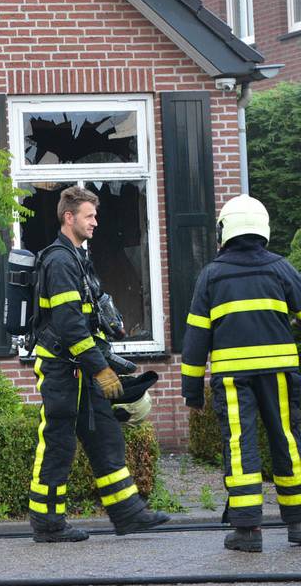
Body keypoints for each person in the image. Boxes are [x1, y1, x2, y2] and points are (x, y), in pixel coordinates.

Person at [26, 186, 169, 542]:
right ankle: (48, 524)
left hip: (81, 367)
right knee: (58, 443)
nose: (96, 222)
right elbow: (69, 325)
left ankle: (128, 514)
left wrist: (109, 338)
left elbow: (88, 314)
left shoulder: (77, 256)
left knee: (105, 436)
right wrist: (100, 369)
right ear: (69, 217)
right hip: (61, 368)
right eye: (89, 216)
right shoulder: (59, 261)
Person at [181, 195, 301, 552]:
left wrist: (191, 389)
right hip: (279, 374)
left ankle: (248, 531)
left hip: (233, 379)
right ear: (261, 227)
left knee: (240, 447)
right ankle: (297, 523)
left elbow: (196, 336)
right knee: (288, 442)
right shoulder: (281, 268)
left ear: (226, 229)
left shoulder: (212, 275)